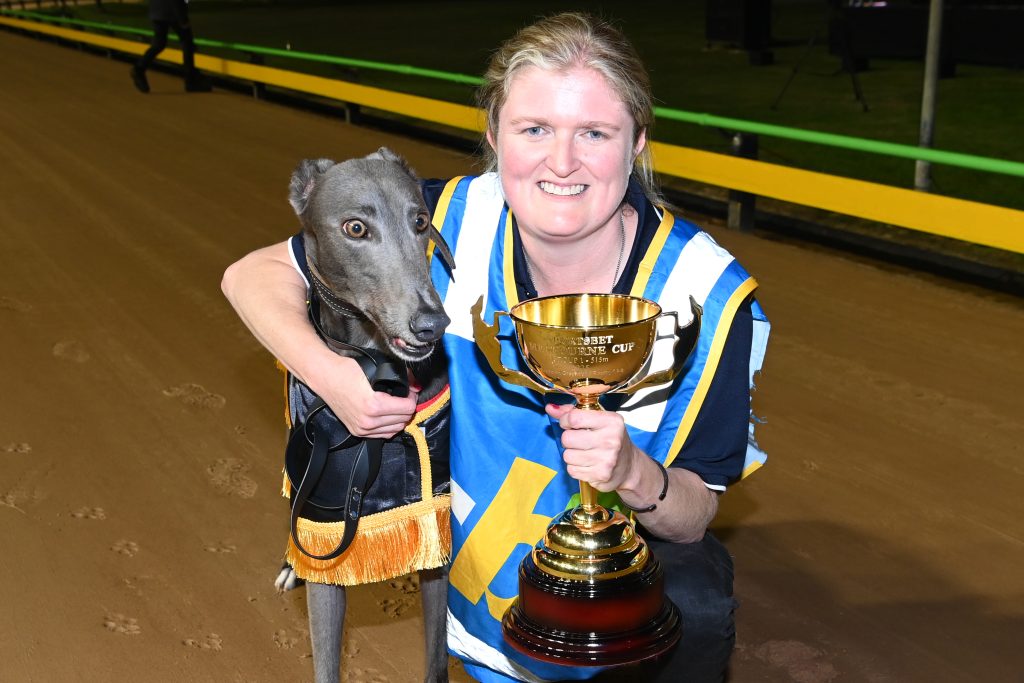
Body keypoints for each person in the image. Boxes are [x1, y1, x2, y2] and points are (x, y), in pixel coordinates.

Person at [222, 12, 769, 683]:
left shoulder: (704, 294)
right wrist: (333, 379)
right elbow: (251, 275)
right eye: (534, 129)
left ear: (636, 144)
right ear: (494, 136)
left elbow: (693, 516)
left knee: (696, 604)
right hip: (479, 594)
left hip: (613, 603)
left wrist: (631, 471)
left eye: (593, 133)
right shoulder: (440, 221)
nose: (561, 162)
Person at [130, 0, 211, 94]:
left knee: (159, 44)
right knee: (187, 42)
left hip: (157, 11)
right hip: (172, 11)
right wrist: (183, 18)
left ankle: (139, 69)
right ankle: (191, 81)